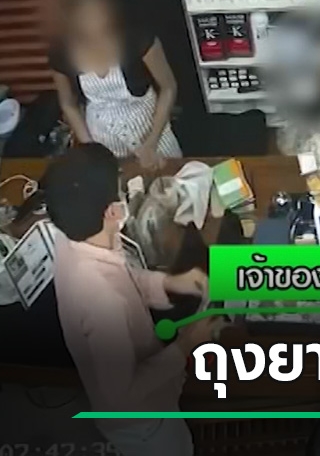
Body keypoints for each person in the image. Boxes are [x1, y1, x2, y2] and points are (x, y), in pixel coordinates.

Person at [44, 143, 215, 456]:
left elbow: (125, 276)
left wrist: (169, 283)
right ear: (112, 211)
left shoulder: (74, 240)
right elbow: (122, 397)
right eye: (120, 186)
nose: (124, 188)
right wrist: (187, 344)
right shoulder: (103, 302)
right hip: (143, 423)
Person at [49, 0, 182, 170]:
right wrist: (91, 148)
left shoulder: (137, 38)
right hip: (102, 139)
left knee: (172, 180)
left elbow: (169, 87)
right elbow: (68, 104)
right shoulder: (62, 53)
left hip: (152, 132)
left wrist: (151, 143)